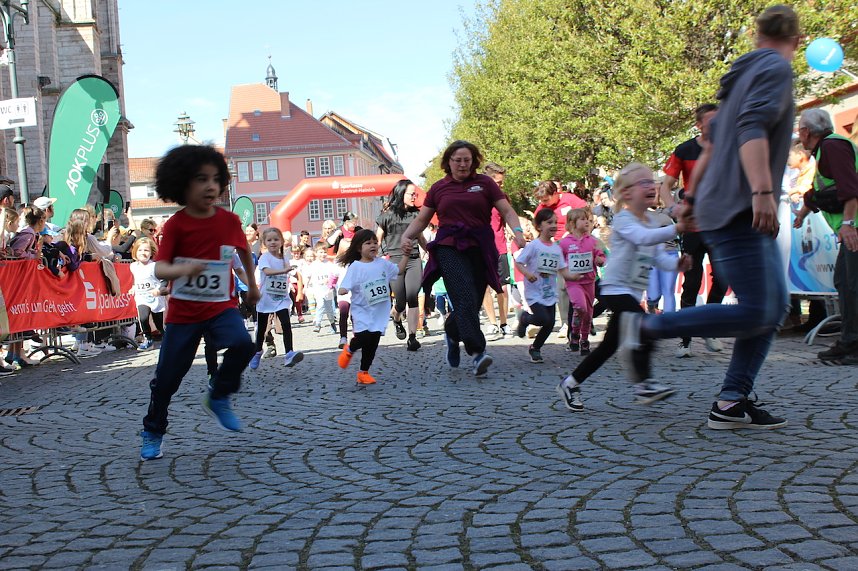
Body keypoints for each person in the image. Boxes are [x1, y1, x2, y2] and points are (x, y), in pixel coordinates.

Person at [618, 5, 798, 430]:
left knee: (772, 306)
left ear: (757, 34)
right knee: (760, 310)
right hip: (740, 206)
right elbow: (751, 127)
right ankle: (645, 328)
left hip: (724, 204)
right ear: (795, 39)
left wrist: (693, 198)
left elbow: (714, 145)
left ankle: (731, 401)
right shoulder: (774, 68)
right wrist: (763, 192)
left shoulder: (741, 76)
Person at [140, 145, 259, 461]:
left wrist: (252, 286)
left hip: (221, 306)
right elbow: (160, 269)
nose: (210, 186)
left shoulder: (229, 221)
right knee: (167, 379)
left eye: (216, 179)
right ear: (182, 184)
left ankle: (218, 395)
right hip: (184, 313)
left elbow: (244, 251)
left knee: (243, 344)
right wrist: (184, 269)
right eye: (201, 179)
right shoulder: (176, 225)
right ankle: (153, 429)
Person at [555, 163, 691, 412]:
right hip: (615, 290)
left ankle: (570, 383)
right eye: (643, 182)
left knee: (608, 347)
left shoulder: (652, 221)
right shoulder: (624, 220)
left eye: (652, 182)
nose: (651, 186)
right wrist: (677, 227)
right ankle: (644, 384)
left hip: (630, 293)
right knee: (646, 326)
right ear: (627, 193)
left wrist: (677, 264)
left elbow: (658, 257)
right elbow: (642, 238)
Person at [399, 140, 526, 377]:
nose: (462, 164)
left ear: (473, 161)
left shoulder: (485, 183)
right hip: (450, 246)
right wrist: (407, 236)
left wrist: (517, 232)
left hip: (480, 246)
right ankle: (477, 352)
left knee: (473, 302)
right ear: (448, 162)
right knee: (464, 295)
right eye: (457, 160)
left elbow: (507, 210)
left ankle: (451, 332)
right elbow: (422, 219)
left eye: (467, 160)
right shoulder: (438, 188)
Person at [659, 103, 727, 357]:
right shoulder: (685, 150)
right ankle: (685, 339)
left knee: (723, 278)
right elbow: (666, 186)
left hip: (721, 226)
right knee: (692, 282)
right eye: (711, 122)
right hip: (693, 226)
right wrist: (672, 208)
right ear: (699, 125)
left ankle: (709, 326)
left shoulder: (729, 147)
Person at [794, 108, 858, 364]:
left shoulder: (833, 147)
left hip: (854, 228)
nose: (799, 134)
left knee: (852, 285)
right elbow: (821, 190)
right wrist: (803, 213)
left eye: (799, 129)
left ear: (806, 131)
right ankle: (849, 340)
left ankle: (853, 344)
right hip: (851, 227)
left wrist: (849, 224)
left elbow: (850, 188)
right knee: (844, 282)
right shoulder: (826, 149)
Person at [513, 209, 579, 363]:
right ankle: (525, 318)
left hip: (549, 292)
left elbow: (563, 269)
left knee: (550, 324)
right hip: (534, 292)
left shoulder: (556, 248)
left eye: (555, 222)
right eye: (549, 222)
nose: (554, 225)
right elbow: (519, 262)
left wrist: (574, 276)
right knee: (542, 318)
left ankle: (535, 348)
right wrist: (527, 274)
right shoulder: (533, 246)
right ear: (539, 226)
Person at [336, 229, 399, 385]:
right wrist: (343, 289)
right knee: (364, 337)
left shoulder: (382, 263)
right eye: (368, 243)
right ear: (359, 248)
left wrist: (406, 256)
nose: (373, 245)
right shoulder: (356, 266)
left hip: (379, 312)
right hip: (362, 310)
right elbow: (345, 285)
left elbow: (398, 270)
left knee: (373, 342)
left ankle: (363, 372)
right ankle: (350, 349)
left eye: (375, 242)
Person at [534, 180, 587, 339]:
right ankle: (566, 323)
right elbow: (537, 227)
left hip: (576, 247)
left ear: (555, 193)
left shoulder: (570, 199)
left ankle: (586, 318)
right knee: (562, 286)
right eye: (541, 200)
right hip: (556, 250)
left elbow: (586, 213)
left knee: (584, 283)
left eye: (546, 199)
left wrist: (573, 231)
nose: (543, 203)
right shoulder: (542, 208)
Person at [376, 179, 423, 350]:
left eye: (416, 194)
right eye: (412, 194)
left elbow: (421, 237)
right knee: (401, 302)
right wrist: (375, 258)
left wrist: (432, 252)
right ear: (401, 194)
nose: (414, 197)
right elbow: (378, 239)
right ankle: (396, 318)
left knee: (412, 296)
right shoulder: (386, 216)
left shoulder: (416, 215)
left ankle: (412, 337)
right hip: (394, 261)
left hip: (413, 258)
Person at [248, 227, 304, 370]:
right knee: (262, 329)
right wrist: (283, 270)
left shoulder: (284, 258)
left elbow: (292, 273)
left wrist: (296, 283)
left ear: (281, 242)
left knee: (286, 324)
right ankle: (257, 351)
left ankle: (289, 353)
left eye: (276, 239)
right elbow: (267, 271)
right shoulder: (264, 258)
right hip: (266, 298)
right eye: (269, 240)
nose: (273, 242)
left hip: (281, 298)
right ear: (264, 243)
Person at [558, 208, 606, 355]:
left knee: (588, 312)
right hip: (573, 282)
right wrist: (564, 274)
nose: (587, 222)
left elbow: (601, 256)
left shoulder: (592, 241)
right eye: (583, 219)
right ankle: (574, 332)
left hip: (589, 281)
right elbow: (558, 261)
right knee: (580, 307)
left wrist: (600, 260)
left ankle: (584, 340)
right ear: (572, 223)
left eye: (588, 220)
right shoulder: (565, 243)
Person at [481, 163, 512, 339]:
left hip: (500, 248)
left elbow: (508, 219)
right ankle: (492, 323)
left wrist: (517, 233)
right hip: (482, 248)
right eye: (499, 182)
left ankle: (504, 323)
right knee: (485, 287)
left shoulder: (503, 198)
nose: (502, 185)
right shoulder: (477, 198)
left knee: (503, 288)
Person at [130, 237, 167, 351]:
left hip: (155, 298)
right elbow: (137, 280)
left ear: (151, 252)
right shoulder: (133, 266)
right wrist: (133, 287)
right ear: (135, 252)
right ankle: (148, 339)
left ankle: (166, 338)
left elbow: (164, 280)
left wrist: (159, 290)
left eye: (146, 250)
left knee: (158, 323)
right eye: (140, 250)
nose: (143, 253)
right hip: (141, 297)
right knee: (143, 318)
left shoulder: (154, 266)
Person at [305, 243, 338, 334]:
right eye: (320, 252)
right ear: (316, 253)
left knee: (329, 309)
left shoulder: (329, 264)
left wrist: (330, 283)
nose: (323, 254)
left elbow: (334, 275)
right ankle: (318, 323)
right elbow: (308, 276)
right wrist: (305, 286)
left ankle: (332, 324)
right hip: (318, 289)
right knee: (320, 304)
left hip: (328, 289)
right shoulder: (313, 265)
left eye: (324, 252)